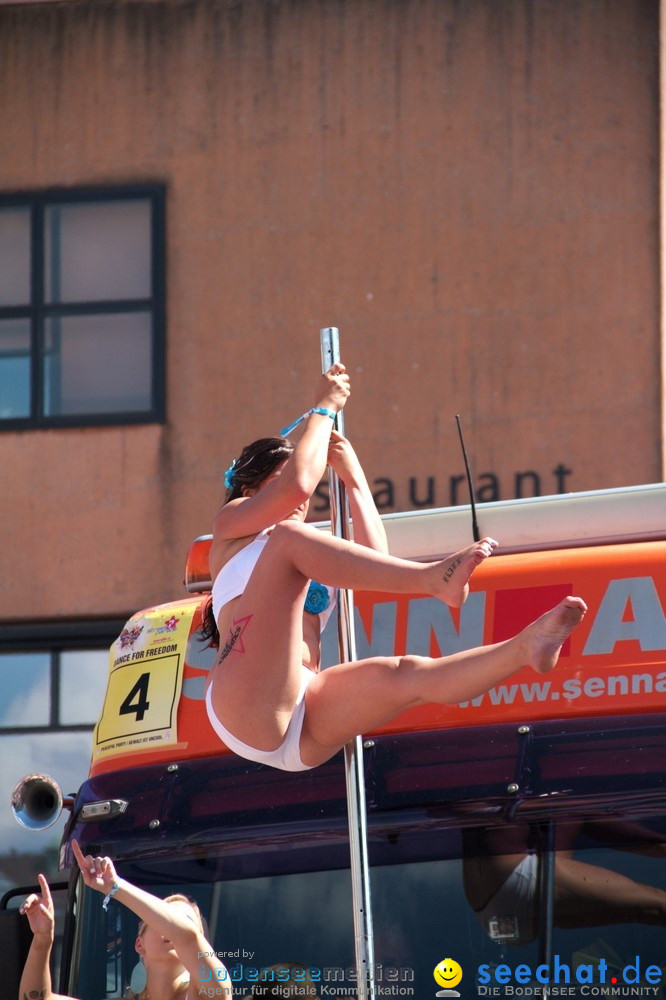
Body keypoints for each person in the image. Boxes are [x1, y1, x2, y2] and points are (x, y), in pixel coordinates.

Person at [203, 363, 587, 773]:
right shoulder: (234, 529)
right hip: (243, 703)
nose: (303, 498)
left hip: (301, 713)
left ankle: (524, 648)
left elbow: (375, 555)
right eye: (276, 486)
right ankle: (431, 580)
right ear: (250, 490)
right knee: (287, 541)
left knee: (411, 676)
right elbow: (296, 485)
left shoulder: (307, 546)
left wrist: (354, 480)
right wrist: (324, 408)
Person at [18, 838, 229, 999]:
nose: (174, 926)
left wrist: (115, 887)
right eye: (163, 919)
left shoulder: (214, 991)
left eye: (185, 920)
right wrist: (42, 941)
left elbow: (186, 936)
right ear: (139, 944)